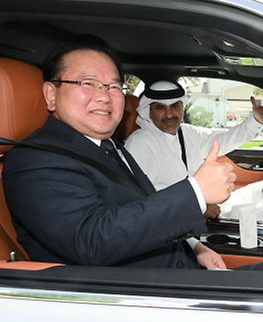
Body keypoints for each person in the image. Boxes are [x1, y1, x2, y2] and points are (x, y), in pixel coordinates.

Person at [2, 34, 234, 270]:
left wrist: (194, 245)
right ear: (51, 95)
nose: (104, 96)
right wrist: (196, 193)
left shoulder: (110, 145)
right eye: (88, 83)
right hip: (133, 296)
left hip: (176, 271)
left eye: (114, 86)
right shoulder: (33, 160)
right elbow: (91, 241)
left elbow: (143, 207)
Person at [125, 81, 263, 219]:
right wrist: (196, 207)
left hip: (212, 205)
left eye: (175, 106)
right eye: (160, 107)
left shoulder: (186, 133)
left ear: (182, 108)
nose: (169, 114)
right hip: (185, 220)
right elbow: (142, 201)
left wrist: (257, 120)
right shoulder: (139, 144)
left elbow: (225, 138)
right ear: (149, 111)